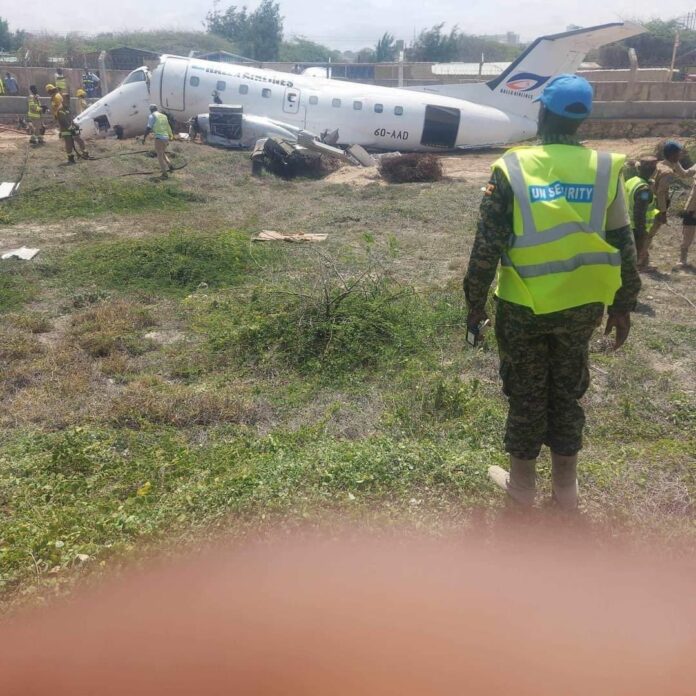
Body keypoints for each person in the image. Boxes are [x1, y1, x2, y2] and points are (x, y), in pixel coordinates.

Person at [463, 74, 641, 510]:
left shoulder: (513, 167)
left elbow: (486, 246)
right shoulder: (604, 169)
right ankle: (566, 493)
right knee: (566, 392)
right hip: (581, 307)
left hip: (523, 305)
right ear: (582, 120)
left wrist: (474, 304)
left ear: (542, 112)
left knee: (526, 394)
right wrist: (623, 306)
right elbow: (624, 242)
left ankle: (521, 490)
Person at [644, 141, 695, 270]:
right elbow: (661, 193)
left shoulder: (666, 163)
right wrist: (663, 212)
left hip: (650, 203)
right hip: (656, 206)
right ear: (673, 154)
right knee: (649, 233)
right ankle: (640, 260)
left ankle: (642, 259)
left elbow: (684, 174)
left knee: (647, 232)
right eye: (679, 153)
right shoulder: (667, 171)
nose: (681, 155)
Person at [625, 157, 658, 266]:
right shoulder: (644, 189)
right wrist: (642, 233)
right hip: (637, 229)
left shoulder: (631, 181)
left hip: (627, 224)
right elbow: (639, 213)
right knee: (636, 260)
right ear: (654, 170)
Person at [46, 83, 89, 164]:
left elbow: (70, 119)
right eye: (66, 100)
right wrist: (71, 128)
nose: (68, 102)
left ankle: (85, 153)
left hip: (71, 127)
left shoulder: (67, 109)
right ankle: (70, 158)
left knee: (79, 139)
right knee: (69, 142)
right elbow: (64, 122)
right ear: (63, 100)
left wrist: (75, 125)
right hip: (65, 129)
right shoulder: (61, 110)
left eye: (69, 101)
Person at [143, 104, 175, 178]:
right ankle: (170, 165)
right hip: (166, 137)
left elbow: (148, 128)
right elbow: (168, 126)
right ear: (156, 109)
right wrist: (171, 135)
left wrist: (144, 138)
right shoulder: (164, 116)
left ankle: (164, 173)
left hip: (159, 138)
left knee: (159, 155)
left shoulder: (152, 116)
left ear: (151, 110)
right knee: (162, 152)